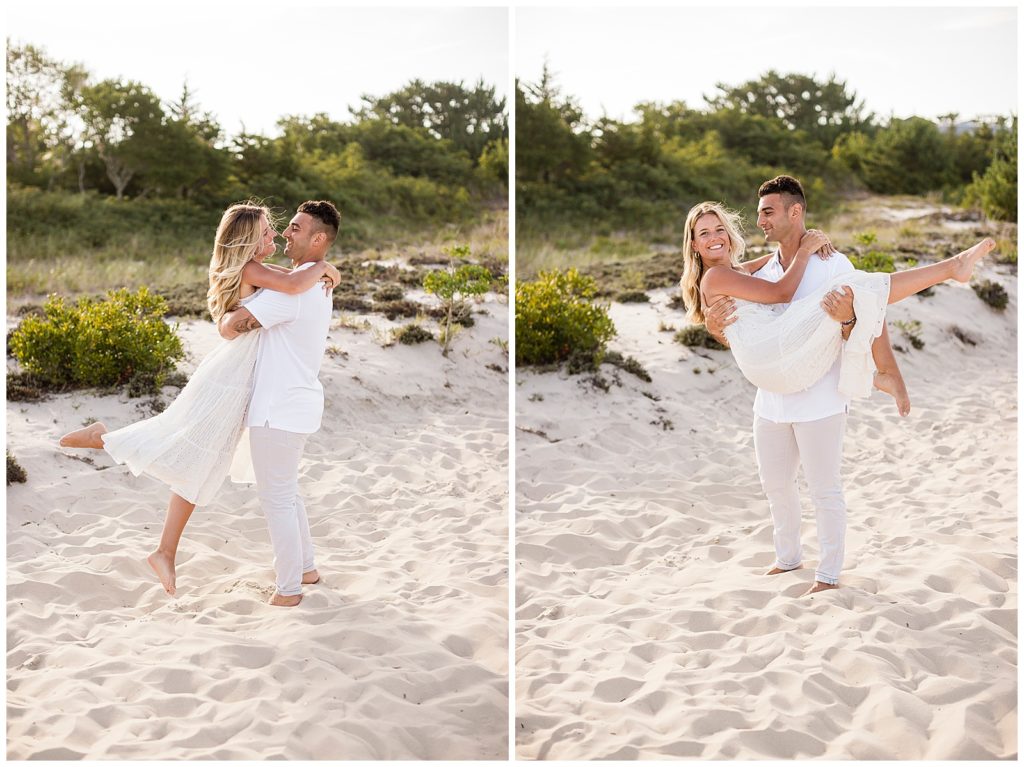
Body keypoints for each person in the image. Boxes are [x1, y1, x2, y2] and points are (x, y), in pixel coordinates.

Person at [684, 176, 994, 593]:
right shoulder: (763, 270)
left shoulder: (828, 265)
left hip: (816, 394)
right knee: (775, 484)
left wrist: (846, 314)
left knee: (824, 486)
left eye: (722, 228)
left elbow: (865, 315)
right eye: (706, 233)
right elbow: (765, 304)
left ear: (796, 213)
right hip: (773, 384)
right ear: (695, 245)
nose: (756, 223)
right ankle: (787, 557)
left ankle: (828, 573)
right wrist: (714, 326)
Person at [59, 202, 340, 599]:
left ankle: (283, 576)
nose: (279, 235)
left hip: (263, 391)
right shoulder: (297, 285)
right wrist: (324, 268)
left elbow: (252, 309)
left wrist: (321, 269)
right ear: (248, 241)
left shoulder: (292, 284)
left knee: (212, 457)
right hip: (241, 378)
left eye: (290, 229)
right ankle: (108, 440)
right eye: (271, 231)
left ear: (318, 238)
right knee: (195, 444)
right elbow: (232, 325)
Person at [217, 200, 341, 607]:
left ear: (318, 239)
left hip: (278, 408)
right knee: (288, 493)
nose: (287, 233)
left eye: (296, 228)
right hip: (298, 404)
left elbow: (232, 329)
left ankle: (288, 589)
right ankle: (305, 568)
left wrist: (225, 318)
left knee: (277, 499)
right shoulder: (315, 285)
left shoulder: (294, 292)